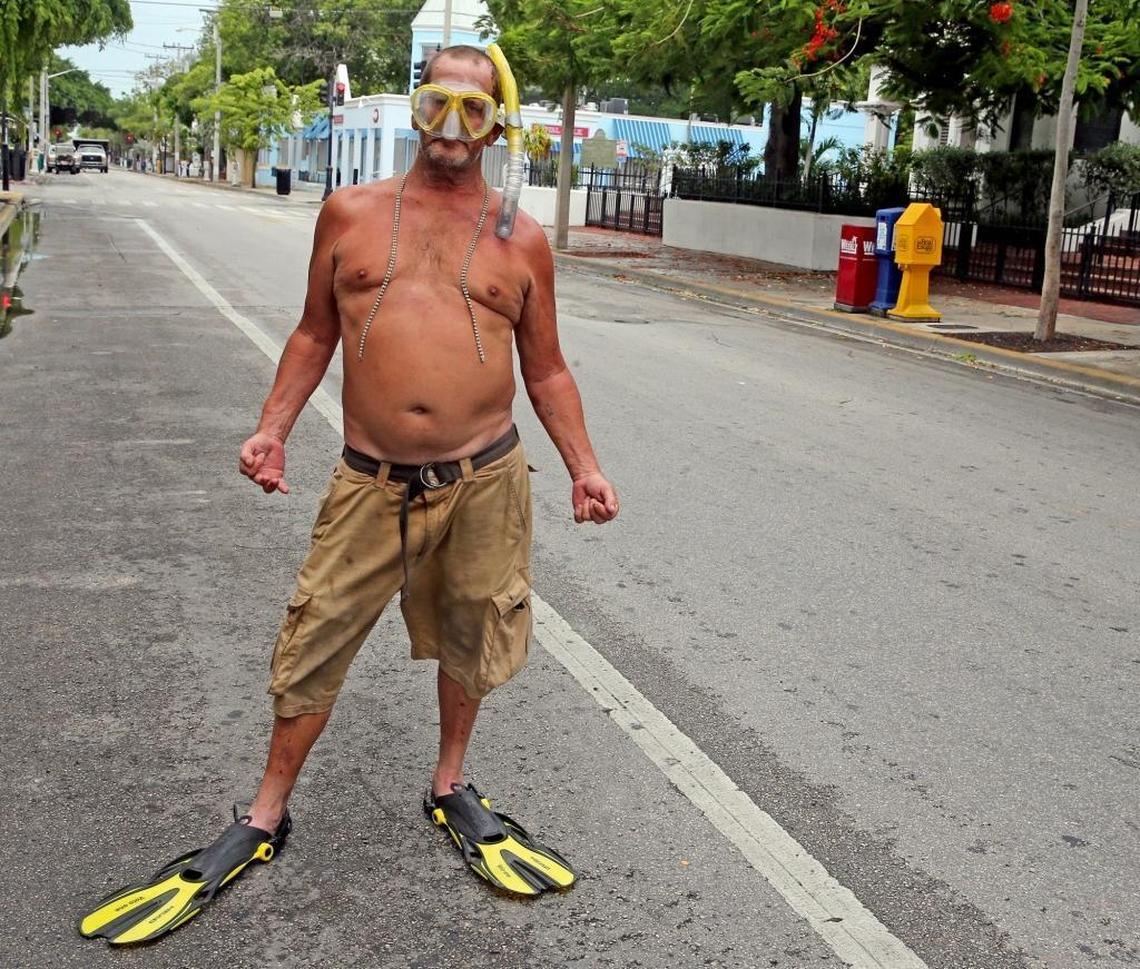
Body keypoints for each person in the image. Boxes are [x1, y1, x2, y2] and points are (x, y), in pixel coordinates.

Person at [79, 45, 618, 946]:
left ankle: (450, 785)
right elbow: (312, 331)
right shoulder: (350, 213)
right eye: (436, 105)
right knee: (316, 631)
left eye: (472, 111)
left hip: (484, 476)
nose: (452, 128)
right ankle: (264, 813)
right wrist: (272, 426)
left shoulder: (519, 238)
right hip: (371, 483)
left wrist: (584, 465)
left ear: (498, 125)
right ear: (414, 111)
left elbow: (549, 367)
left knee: (473, 631)